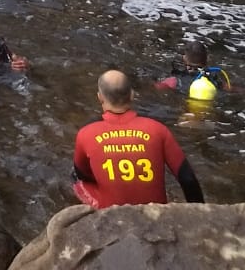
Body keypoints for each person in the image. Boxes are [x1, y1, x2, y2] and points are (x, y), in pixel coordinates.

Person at [72, 68, 205, 207]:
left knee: (75, 176)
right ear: (132, 95)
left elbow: (82, 174)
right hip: (155, 212)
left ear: (100, 97)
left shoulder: (85, 133)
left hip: (111, 214)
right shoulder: (158, 129)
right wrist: (198, 211)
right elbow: (188, 179)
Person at [155, 41, 231, 101]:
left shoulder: (174, 81)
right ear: (207, 59)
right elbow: (231, 89)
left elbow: (156, 88)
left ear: (184, 58)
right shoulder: (215, 80)